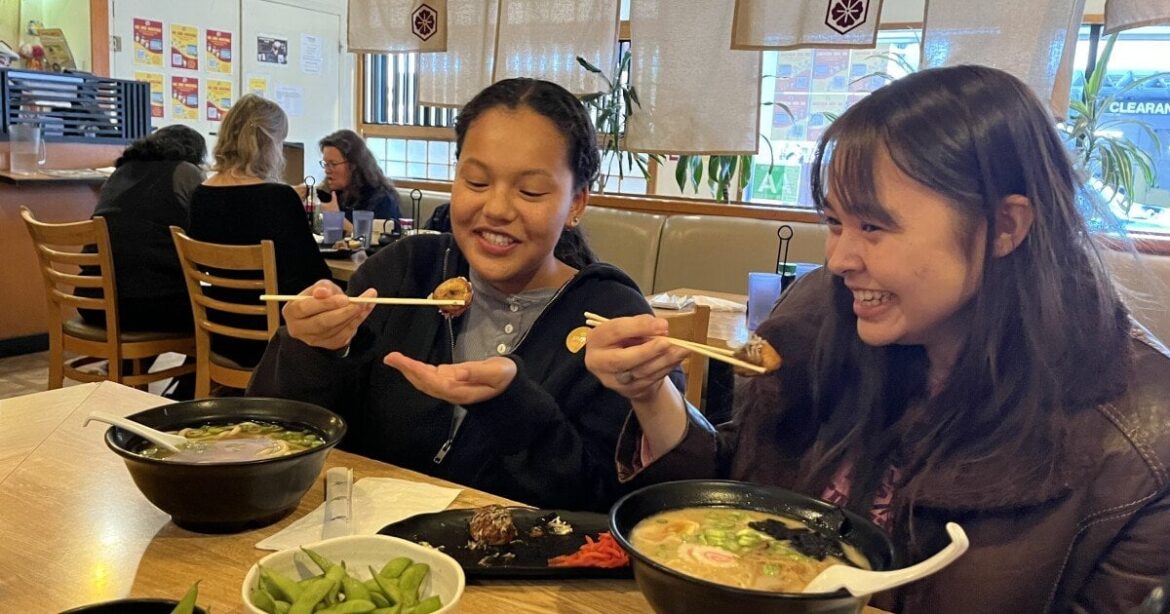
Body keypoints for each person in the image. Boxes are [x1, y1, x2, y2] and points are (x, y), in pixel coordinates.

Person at [584, 65, 1170, 612]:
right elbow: (733, 505)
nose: (838, 259)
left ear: (1006, 227)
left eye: (873, 226)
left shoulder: (1140, 439)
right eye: (835, 222)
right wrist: (650, 392)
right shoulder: (823, 317)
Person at [248, 78, 678, 511]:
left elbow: (612, 506)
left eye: (530, 191)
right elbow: (275, 436)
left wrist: (513, 404)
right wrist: (311, 349)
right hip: (366, 550)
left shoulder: (609, 319)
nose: (496, 209)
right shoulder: (403, 272)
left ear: (576, 203)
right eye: (475, 182)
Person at [188, 94, 330, 368]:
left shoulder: (200, 195)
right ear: (269, 143)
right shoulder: (277, 198)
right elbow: (314, 278)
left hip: (218, 329)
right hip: (275, 339)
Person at [79, 124, 206, 332]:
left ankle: (128, 366)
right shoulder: (185, 171)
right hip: (146, 306)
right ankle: (195, 365)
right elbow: (202, 234)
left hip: (91, 301)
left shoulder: (119, 173)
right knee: (215, 310)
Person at [297, 129, 401, 233]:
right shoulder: (331, 194)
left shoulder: (382, 199)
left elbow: (383, 244)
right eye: (325, 164)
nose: (327, 170)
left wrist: (338, 220)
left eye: (333, 164)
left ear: (354, 165)